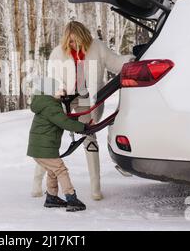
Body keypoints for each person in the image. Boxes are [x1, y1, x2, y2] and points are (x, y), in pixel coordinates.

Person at [31, 21, 135, 200]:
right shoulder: (58, 53)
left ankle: (96, 188)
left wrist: (131, 60)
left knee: (89, 137)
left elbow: (116, 63)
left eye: (77, 41)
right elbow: (54, 79)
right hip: (65, 100)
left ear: (84, 37)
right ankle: (36, 183)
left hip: (89, 101)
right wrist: (60, 90)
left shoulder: (97, 47)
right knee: (51, 141)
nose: (74, 45)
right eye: (70, 42)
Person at [27, 77, 93, 212]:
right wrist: (83, 127)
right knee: (61, 170)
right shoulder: (50, 105)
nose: (61, 90)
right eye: (57, 88)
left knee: (53, 171)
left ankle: (51, 197)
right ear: (49, 91)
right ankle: (71, 198)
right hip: (43, 148)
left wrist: (80, 124)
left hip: (43, 147)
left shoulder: (46, 103)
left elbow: (62, 118)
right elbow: (63, 122)